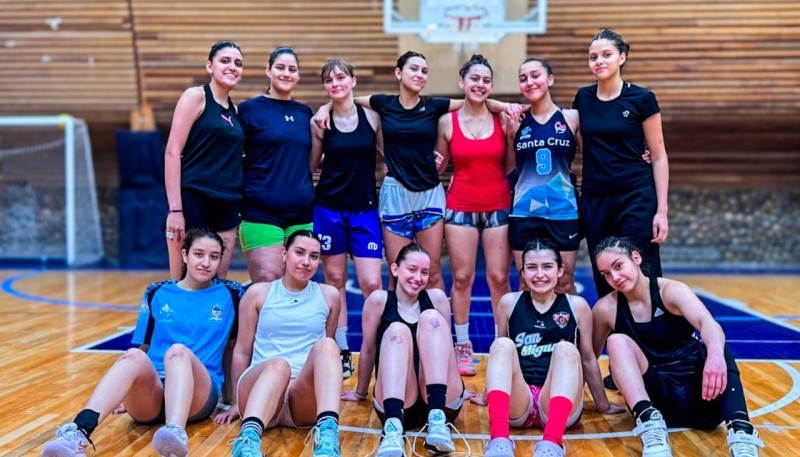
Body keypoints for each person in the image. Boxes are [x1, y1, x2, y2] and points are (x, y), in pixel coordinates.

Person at [314, 51, 522, 290]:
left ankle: (438, 327)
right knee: (397, 273)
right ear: (398, 73)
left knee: (431, 273)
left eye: (424, 71)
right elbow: (344, 96)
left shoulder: (434, 106)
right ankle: (396, 328)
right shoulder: (383, 104)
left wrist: (506, 106)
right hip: (395, 196)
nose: (419, 74)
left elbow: (474, 100)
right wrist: (325, 107)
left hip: (428, 194)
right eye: (414, 69)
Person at [41, 228, 243, 457]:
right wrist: (127, 392)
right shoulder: (157, 291)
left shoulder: (232, 294)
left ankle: (175, 432)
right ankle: (79, 433)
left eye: (214, 257)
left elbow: (235, 349)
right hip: (154, 391)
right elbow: (141, 347)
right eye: (199, 254)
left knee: (177, 352)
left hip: (199, 393)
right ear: (185, 255)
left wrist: (234, 400)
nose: (206, 262)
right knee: (132, 356)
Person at [592, 236, 764, 457]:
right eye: (606, 273)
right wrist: (600, 401)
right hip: (658, 400)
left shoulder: (671, 291)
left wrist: (715, 358)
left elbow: (708, 323)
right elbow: (589, 357)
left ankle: (742, 433)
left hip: (703, 397)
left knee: (714, 346)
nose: (615, 277)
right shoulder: (605, 308)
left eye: (618, 266)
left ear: (635, 258)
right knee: (616, 341)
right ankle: (649, 425)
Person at [475, 238, 624, 457]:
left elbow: (588, 359)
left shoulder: (577, 306)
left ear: (560, 269)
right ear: (523, 273)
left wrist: (602, 404)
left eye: (547, 266)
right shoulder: (508, 302)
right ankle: (498, 440)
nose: (539, 274)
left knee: (566, 349)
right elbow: (500, 357)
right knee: (501, 344)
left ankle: (553, 442)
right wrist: (488, 394)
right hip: (519, 402)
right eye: (531, 267)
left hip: (559, 404)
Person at [214, 230, 344, 457]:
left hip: (300, 397)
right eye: (300, 253)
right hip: (260, 388)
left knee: (328, 346)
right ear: (284, 254)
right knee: (279, 365)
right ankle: (246, 442)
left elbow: (324, 359)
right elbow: (242, 351)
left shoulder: (329, 296)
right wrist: (236, 402)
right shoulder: (258, 294)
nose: (306, 261)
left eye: (314, 256)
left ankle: (327, 439)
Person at [342, 242, 466, 456]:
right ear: (395, 269)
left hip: (441, 401)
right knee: (397, 330)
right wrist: (360, 392)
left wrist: (456, 384)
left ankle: (437, 421)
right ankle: (392, 431)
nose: (418, 277)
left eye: (424, 272)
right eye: (412, 269)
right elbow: (369, 349)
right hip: (398, 401)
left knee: (431, 318)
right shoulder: (379, 301)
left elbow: (446, 348)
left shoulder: (436, 299)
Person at [572, 28, 669, 299]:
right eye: (593, 57)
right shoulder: (583, 98)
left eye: (606, 55)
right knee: (605, 270)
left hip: (636, 195)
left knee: (641, 267)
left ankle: (654, 334)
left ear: (622, 58)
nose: (599, 61)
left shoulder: (642, 99)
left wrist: (661, 210)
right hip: (595, 199)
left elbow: (659, 155)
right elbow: (579, 140)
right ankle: (618, 339)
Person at [435, 54, 512, 377]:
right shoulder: (446, 121)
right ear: (462, 82)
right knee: (462, 278)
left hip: (497, 204)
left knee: (498, 279)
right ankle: (463, 345)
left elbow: (509, 165)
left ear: (491, 86)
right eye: (474, 79)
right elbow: (438, 164)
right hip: (460, 206)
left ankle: (501, 345)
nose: (479, 84)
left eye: (485, 80)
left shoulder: (503, 119)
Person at [310, 59, 384, 380]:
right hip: (329, 208)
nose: (335, 83)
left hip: (365, 209)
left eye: (341, 77)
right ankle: (341, 350)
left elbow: (388, 156)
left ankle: (375, 346)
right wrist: (322, 112)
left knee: (371, 282)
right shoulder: (320, 122)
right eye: (329, 80)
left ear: (353, 80)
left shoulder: (372, 116)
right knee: (335, 281)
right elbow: (313, 164)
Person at [164, 41, 244, 280]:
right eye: (225, 61)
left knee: (216, 283)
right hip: (193, 200)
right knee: (182, 281)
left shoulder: (236, 112)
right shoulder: (195, 97)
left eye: (238, 63)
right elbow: (172, 152)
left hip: (227, 204)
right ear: (210, 66)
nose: (232, 67)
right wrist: (175, 209)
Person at [238, 46, 315, 282]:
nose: (286, 73)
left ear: (298, 75)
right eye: (280, 67)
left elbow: (308, 155)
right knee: (269, 278)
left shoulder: (304, 113)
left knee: (298, 284)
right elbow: (232, 153)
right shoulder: (249, 109)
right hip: (261, 211)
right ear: (268, 71)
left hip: (301, 213)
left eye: (292, 69)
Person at [508, 58, 580, 295]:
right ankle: (523, 332)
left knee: (564, 281)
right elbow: (509, 169)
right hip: (524, 211)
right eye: (523, 78)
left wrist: (640, 153)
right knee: (525, 283)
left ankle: (572, 332)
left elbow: (598, 156)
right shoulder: (514, 124)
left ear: (550, 79)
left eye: (535, 75)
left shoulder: (571, 118)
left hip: (563, 211)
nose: (529, 82)